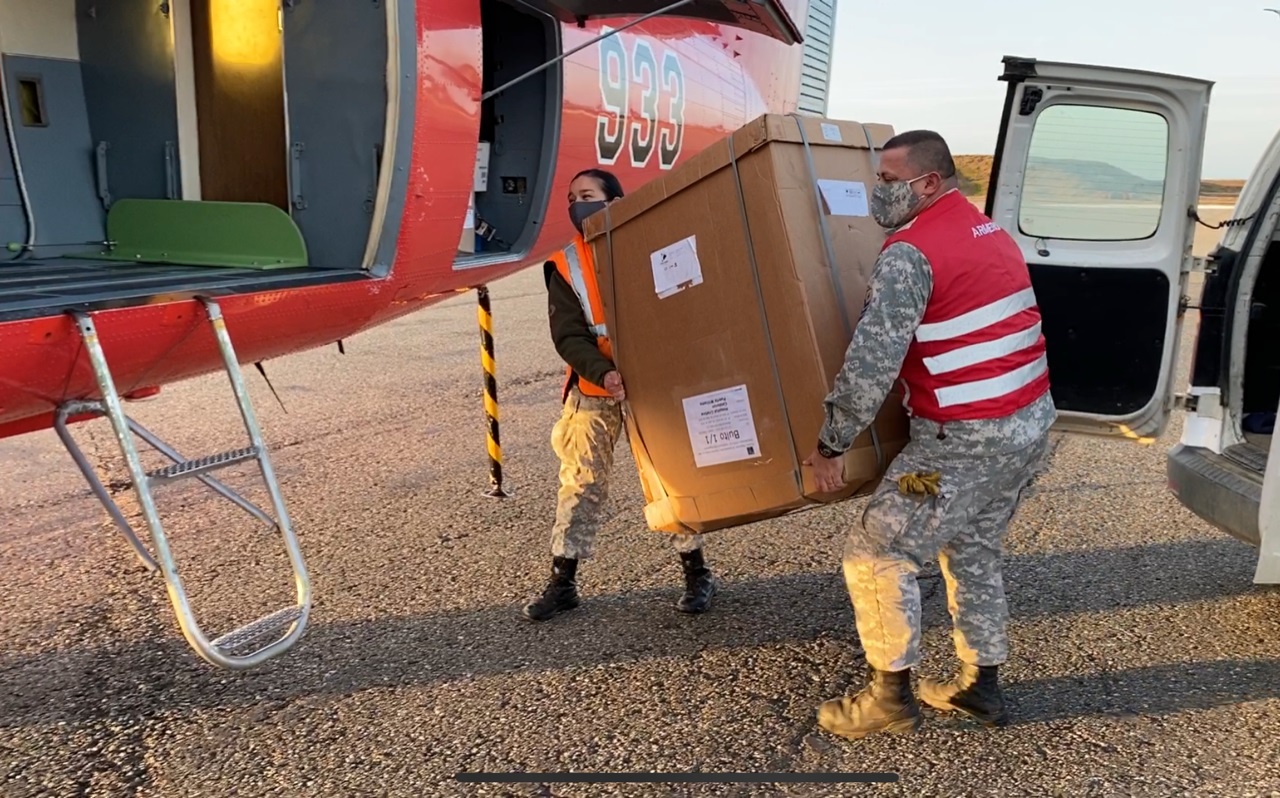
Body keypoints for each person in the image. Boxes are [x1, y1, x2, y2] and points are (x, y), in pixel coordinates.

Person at [802, 130, 1057, 739]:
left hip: (958, 450)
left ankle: (888, 699)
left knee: (876, 551)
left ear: (930, 183)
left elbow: (872, 363)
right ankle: (980, 688)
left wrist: (831, 446)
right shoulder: (988, 231)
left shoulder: (912, 253)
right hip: (1027, 431)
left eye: (890, 180)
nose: (879, 190)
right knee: (972, 548)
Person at [522, 168, 719, 622]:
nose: (577, 204)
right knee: (581, 484)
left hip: (651, 388)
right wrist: (605, 373)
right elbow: (568, 335)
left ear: (614, 201)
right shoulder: (565, 263)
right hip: (595, 388)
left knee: (669, 477)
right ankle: (562, 582)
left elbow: (688, 310)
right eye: (572, 197)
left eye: (587, 195)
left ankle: (697, 574)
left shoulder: (656, 249)